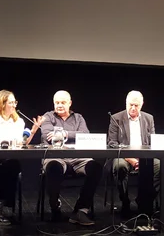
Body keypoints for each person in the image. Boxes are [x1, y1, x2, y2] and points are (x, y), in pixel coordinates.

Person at [0, 90, 43, 224]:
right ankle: (1, 207)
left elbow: (21, 143)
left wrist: (32, 132)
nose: (14, 105)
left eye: (15, 102)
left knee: (14, 165)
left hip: (6, 160)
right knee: (6, 172)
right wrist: (3, 143)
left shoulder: (18, 122)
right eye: (11, 102)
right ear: (1, 104)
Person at [40, 90, 102, 226]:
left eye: (63, 102)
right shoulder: (48, 116)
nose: (59, 105)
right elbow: (47, 134)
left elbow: (85, 134)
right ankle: (55, 207)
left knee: (95, 168)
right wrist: (72, 134)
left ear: (70, 103)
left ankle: (80, 210)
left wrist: (65, 133)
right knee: (53, 168)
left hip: (77, 157)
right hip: (55, 156)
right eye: (57, 102)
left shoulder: (78, 118)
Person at [107, 90, 160, 217]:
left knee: (161, 166)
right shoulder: (116, 118)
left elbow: (153, 141)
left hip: (145, 157)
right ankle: (125, 201)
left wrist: (143, 158)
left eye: (136, 105)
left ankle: (145, 199)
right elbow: (112, 143)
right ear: (126, 103)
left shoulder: (149, 118)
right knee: (119, 167)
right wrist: (130, 158)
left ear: (142, 105)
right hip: (124, 157)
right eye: (130, 104)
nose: (133, 108)